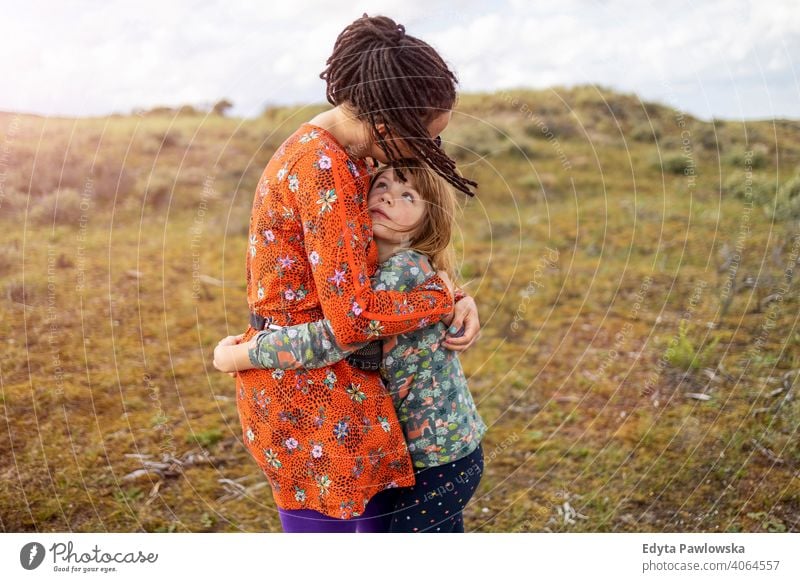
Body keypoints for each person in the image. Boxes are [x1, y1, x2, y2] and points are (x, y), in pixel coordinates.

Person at [217, 14, 481, 533]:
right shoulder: (323, 169)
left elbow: (389, 258)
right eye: (426, 139)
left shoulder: (349, 153)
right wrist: (438, 302)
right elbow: (354, 317)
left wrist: (451, 289)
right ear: (388, 124)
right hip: (310, 396)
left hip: (344, 391)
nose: (431, 153)